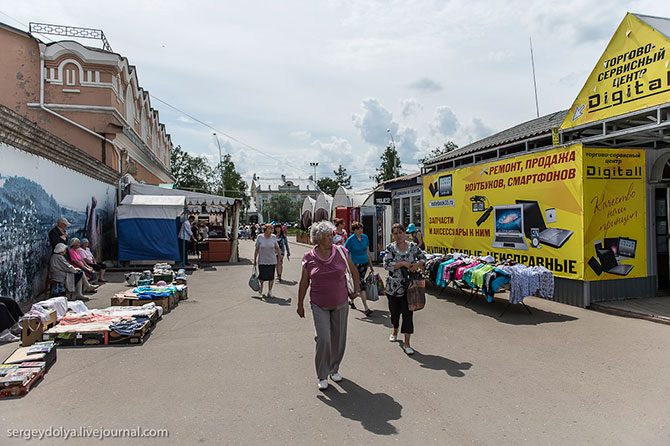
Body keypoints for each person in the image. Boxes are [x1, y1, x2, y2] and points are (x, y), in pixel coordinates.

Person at [297, 220, 360, 390]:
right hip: (319, 304)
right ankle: (322, 374)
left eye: (330, 235)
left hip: (340, 302)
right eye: (325, 236)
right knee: (323, 338)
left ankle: (334, 368)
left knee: (338, 339)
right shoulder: (309, 257)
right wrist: (300, 304)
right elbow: (304, 282)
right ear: (317, 239)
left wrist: (356, 292)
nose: (330, 238)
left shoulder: (341, 251)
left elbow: (353, 272)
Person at [383, 223, 426, 355]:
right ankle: (395, 329)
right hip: (393, 288)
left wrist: (417, 264)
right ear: (393, 235)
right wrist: (402, 263)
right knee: (395, 313)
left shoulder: (413, 247)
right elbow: (386, 264)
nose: (398, 236)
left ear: (404, 233)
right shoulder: (390, 248)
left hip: (410, 287)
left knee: (408, 315)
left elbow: (423, 258)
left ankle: (407, 343)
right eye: (395, 233)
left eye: (400, 233)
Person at [344, 221, 374, 316]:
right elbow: (345, 253)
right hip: (355, 265)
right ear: (354, 230)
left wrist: (371, 264)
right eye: (358, 229)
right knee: (361, 284)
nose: (361, 230)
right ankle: (366, 308)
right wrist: (348, 265)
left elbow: (367, 251)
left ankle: (352, 300)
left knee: (358, 284)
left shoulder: (365, 237)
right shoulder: (350, 240)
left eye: (361, 228)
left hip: (364, 264)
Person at [254, 224, 281, 297]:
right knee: (261, 277)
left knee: (271, 277)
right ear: (265, 229)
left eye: (272, 228)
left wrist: (279, 258)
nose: (272, 230)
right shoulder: (260, 237)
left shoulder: (273, 237)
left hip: (272, 260)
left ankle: (270, 292)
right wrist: (254, 259)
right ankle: (260, 291)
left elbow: (277, 248)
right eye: (270, 228)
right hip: (262, 260)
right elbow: (256, 249)